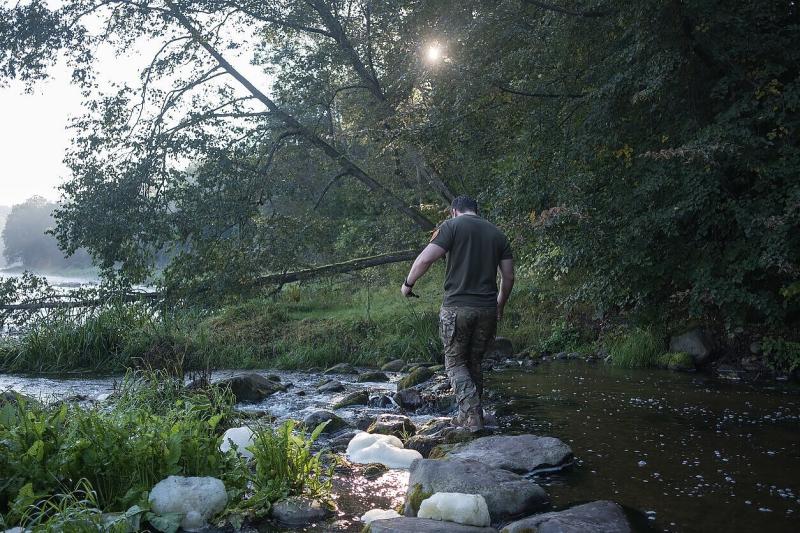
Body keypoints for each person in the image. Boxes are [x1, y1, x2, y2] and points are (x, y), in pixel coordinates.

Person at [400, 195, 514, 431]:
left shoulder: (450, 227)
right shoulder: (497, 233)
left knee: (454, 363)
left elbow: (424, 260)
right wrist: (500, 304)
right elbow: (509, 277)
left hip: (457, 308)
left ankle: (471, 414)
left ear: (454, 211)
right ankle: (471, 415)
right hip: (487, 309)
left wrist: (408, 284)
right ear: (476, 210)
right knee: (474, 362)